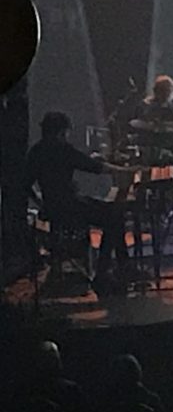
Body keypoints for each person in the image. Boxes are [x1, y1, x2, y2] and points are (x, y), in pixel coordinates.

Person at [24, 111, 137, 284]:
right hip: (70, 205)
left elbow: (25, 184)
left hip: (54, 207)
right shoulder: (62, 149)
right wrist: (125, 170)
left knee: (112, 213)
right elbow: (95, 167)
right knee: (114, 216)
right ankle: (106, 272)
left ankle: (121, 267)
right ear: (61, 132)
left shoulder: (36, 151)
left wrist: (40, 203)